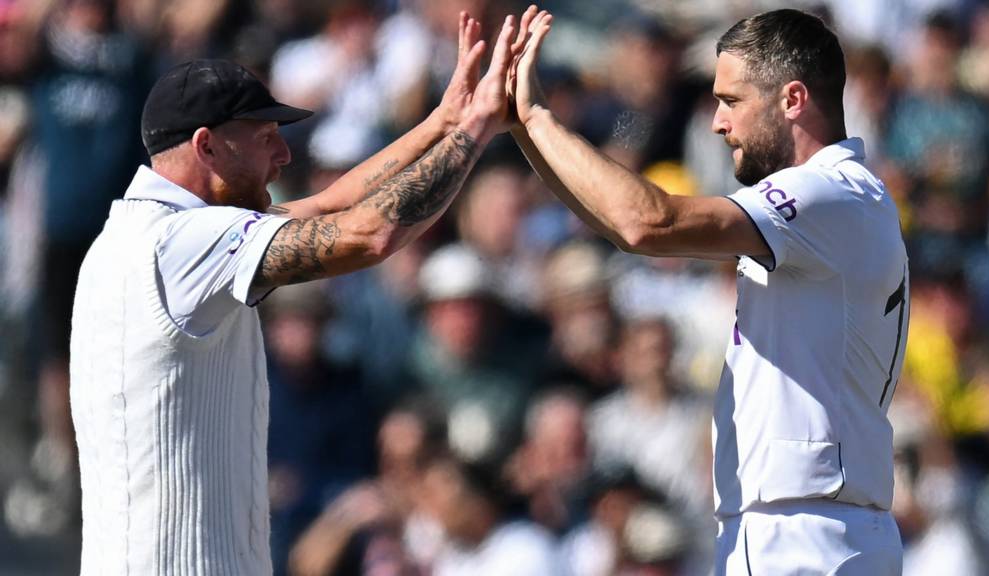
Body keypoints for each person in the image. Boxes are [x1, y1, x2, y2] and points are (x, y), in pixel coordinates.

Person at [69, 11, 520, 574]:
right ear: (206, 147)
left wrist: (443, 122)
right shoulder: (184, 243)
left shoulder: (139, 235)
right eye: (264, 139)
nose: (284, 157)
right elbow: (372, 233)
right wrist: (478, 130)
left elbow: (333, 203)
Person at [509, 7, 909, 574]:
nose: (718, 123)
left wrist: (539, 118)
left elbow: (647, 223)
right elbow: (624, 230)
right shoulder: (829, 206)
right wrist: (525, 127)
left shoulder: (833, 194)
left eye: (732, 101)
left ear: (792, 99)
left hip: (810, 537)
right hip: (783, 529)